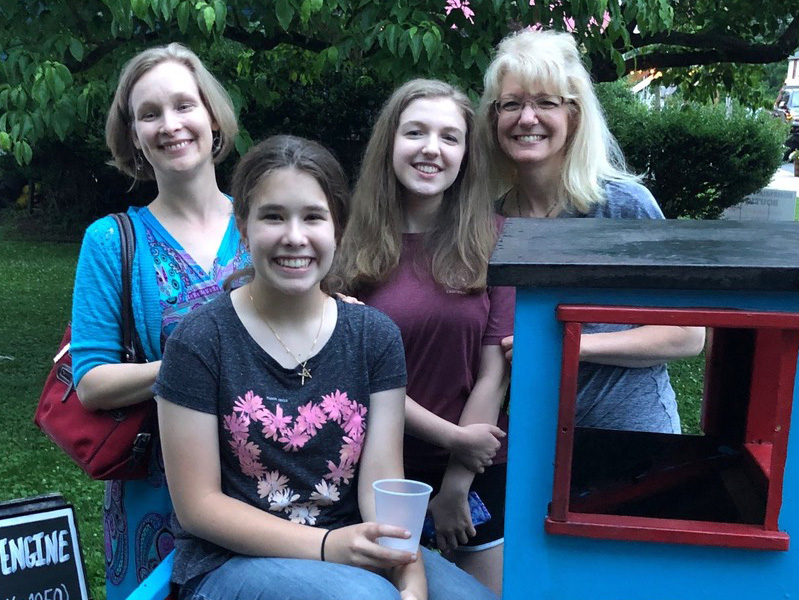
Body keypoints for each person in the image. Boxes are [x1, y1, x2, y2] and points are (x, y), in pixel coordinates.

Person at [153, 134, 498, 600]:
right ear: (243, 227)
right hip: (231, 562)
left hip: (356, 545)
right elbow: (198, 508)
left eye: (313, 217)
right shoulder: (200, 341)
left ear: (339, 227)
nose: (294, 237)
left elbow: (382, 486)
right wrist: (327, 546)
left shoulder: (373, 336)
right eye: (273, 216)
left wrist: (409, 576)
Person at [70, 43, 248, 599]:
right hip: (156, 500)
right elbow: (91, 382)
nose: (170, 125)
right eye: (149, 114)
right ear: (134, 137)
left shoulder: (265, 223)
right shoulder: (110, 241)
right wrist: (196, 364)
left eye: (183, 105)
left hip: (269, 487)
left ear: (212, 117)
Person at [333, 79, 513, 595]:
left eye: (449, 137)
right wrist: (452, 438)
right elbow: (359, 376)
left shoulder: (498, 239)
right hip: (369, 473)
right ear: (390, 143)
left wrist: (456, 482)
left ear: (466, 154)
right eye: (415, 132)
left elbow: (494, 373)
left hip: (474, 469)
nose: (431, 148)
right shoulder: (345, 241)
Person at [478, 29, 705, 433]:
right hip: (533, 442)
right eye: (511, 104)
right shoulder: (491, 218)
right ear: (494, 117)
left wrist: (571, 346)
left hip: (631, 437)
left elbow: (687, 334)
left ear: (574, 114)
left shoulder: (623, 205)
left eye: (546, 102)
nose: (527, 118)